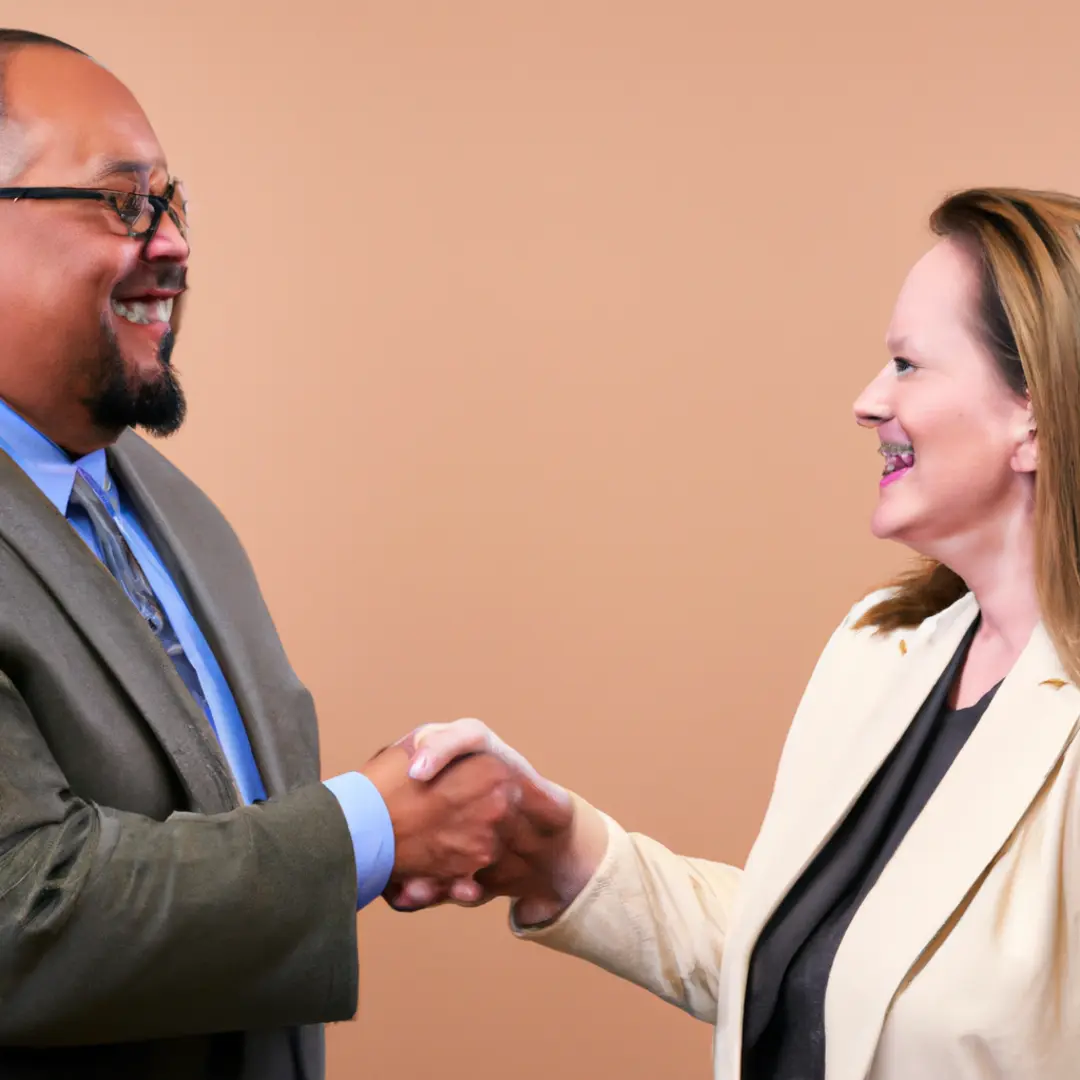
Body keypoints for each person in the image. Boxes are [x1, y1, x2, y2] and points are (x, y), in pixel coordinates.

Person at [394, 186, 1080, 1079]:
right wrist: (560, 853)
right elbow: (819, 971)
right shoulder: (880, 648)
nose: (869, 402)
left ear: (1034, 410)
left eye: (909, 364)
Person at [0, 29, 571, 1080]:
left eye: (175, 203)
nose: (170, 244)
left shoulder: (171, 510)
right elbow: (25, 915)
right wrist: (371, 828)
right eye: (124, 203)